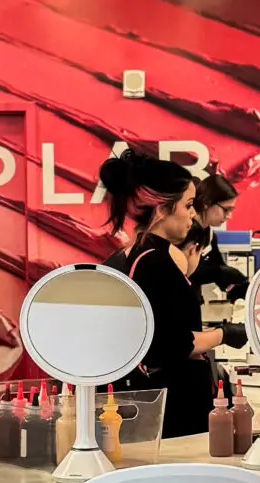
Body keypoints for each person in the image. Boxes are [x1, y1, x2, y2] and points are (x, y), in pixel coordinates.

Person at [99, 150, 224, 438]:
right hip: (175, 406)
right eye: (188, 205)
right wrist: (225, 334)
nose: (192, 214)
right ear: (163, 209)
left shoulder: (140, 255)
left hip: (169, 399)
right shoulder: (154, 262)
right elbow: (173, 345)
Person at [190, 167, 249, 302]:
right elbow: (184, 272)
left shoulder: (209, 234)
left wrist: (241, 287)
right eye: (226, 210)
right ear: (207, 203)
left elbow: (220, 268)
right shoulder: (184, 232)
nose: (229, 216)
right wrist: (217, 272)